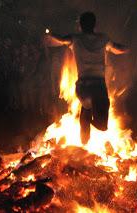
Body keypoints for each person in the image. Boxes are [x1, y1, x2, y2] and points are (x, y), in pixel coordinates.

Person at [45, 11, 129, 144]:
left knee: (89, 111)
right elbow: (118, 49)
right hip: (96, 86)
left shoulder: (75, 38)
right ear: (95, 25)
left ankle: (85, 130)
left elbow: (61, 39)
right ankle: (85, 130)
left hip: (84, 87)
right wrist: (126, 47)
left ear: (80, 25)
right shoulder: (102, 39)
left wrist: (50, 33)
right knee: (100, 123)